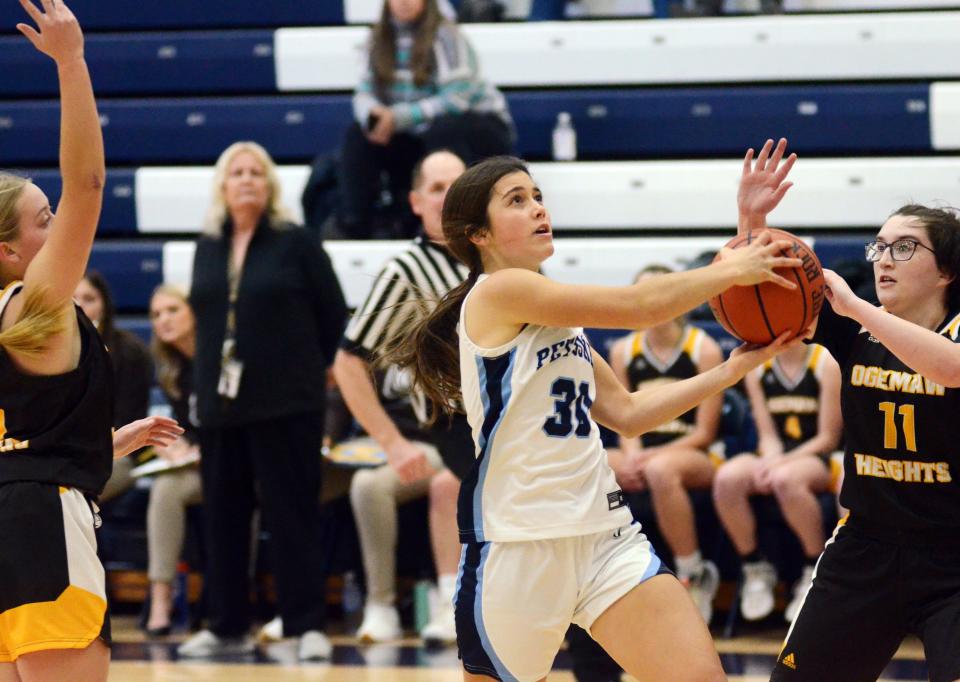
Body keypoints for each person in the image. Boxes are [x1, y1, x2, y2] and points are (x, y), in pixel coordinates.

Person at [386, 155, 806, 681]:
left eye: (537, 196)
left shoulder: (561, 322)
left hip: (604, 536)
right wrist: (731, 265)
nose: (538, 208)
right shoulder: (497, 292)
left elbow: (630, 414)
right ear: (479, 235)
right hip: (518, 546)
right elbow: (638, 306)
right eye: (517, 200)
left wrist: (731, 369)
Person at [0, 2, 181, 679]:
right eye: (43, 222)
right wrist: (72, 65)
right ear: (10, 252)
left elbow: (16, 442)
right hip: (42, 526)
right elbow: (89, 184)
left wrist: (102, 445)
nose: (61, 230)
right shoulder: (33, 304)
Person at [736, 138, 960, 682]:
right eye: (878, 247)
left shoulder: (906, 325)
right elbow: (754, 299)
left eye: (903, 249)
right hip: (866, 547)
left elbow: (949, 370)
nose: (883, 259)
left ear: (948, 270)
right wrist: (751, 219)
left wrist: (856, 305)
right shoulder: (854, 330)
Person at [179, 142, 348, 661]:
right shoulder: (208, 244)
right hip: (221, 408)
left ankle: (306, 625)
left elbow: (334, 317)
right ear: (222, 185)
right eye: (237, 172)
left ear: (271, 184)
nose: (247, 179)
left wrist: (309, 375)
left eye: (256, 172)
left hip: (287, 404)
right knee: (223, 518)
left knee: (292, 514)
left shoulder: (296, 242)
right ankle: (227, 624)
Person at [335, 150, 473, 645]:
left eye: (456, 185)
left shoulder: (497, 256)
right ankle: (418, 602)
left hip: (514, 426)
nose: (447, 197)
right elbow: (348, 363)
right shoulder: (407, 270)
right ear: (416, 202)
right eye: (436, 188)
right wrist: (392, 443)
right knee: (440, 486)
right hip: (451, 431)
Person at [606, 264, 726, 623]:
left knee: (660, 470)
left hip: (695, 454)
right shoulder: (623, 351)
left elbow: (704, 434)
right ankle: (603, 570)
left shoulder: (703, 349)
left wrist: (646, 457)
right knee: (591, 461)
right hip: (640, 449)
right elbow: (620, 418)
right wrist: (631, 456)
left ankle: (693, 573)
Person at [339, 0, 513, 239]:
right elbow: (364, 93)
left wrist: (399, 117)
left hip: (477, 127)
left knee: (443, 132)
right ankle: (356, 225)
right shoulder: (376, 37)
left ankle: (461, 219)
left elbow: (458, 98)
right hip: (417, 131)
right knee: (358, 135)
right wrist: (374, 117)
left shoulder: (447, 35)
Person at [713, 340, 842, 624]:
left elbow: (827, 438)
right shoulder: (759, 366)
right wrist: (769, 460)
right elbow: (768, 435)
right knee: (728, 477)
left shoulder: (825, 362)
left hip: (820, 458)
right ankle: (754, 566)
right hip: (779, 454)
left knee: (786, 479)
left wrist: (780, 464)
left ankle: (813, 568)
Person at [142, 284, 203, 637]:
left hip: (240, 464)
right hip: (201, 468)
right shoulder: (173, 369)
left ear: (194, 311)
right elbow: (191, 427)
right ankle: (161, 596)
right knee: (166, 488)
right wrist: (175, 447)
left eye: (172, 310)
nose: (163, 320)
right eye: (155, 314)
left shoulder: (218, 357)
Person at [74, 271, 153, 502]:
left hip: (121, 451)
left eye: (89, 298)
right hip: (68, 449)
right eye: (74, 297)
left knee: (73, 489)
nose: (80, 305)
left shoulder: (130, 352)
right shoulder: (54, 350)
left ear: (105, 305)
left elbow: (127, 419)